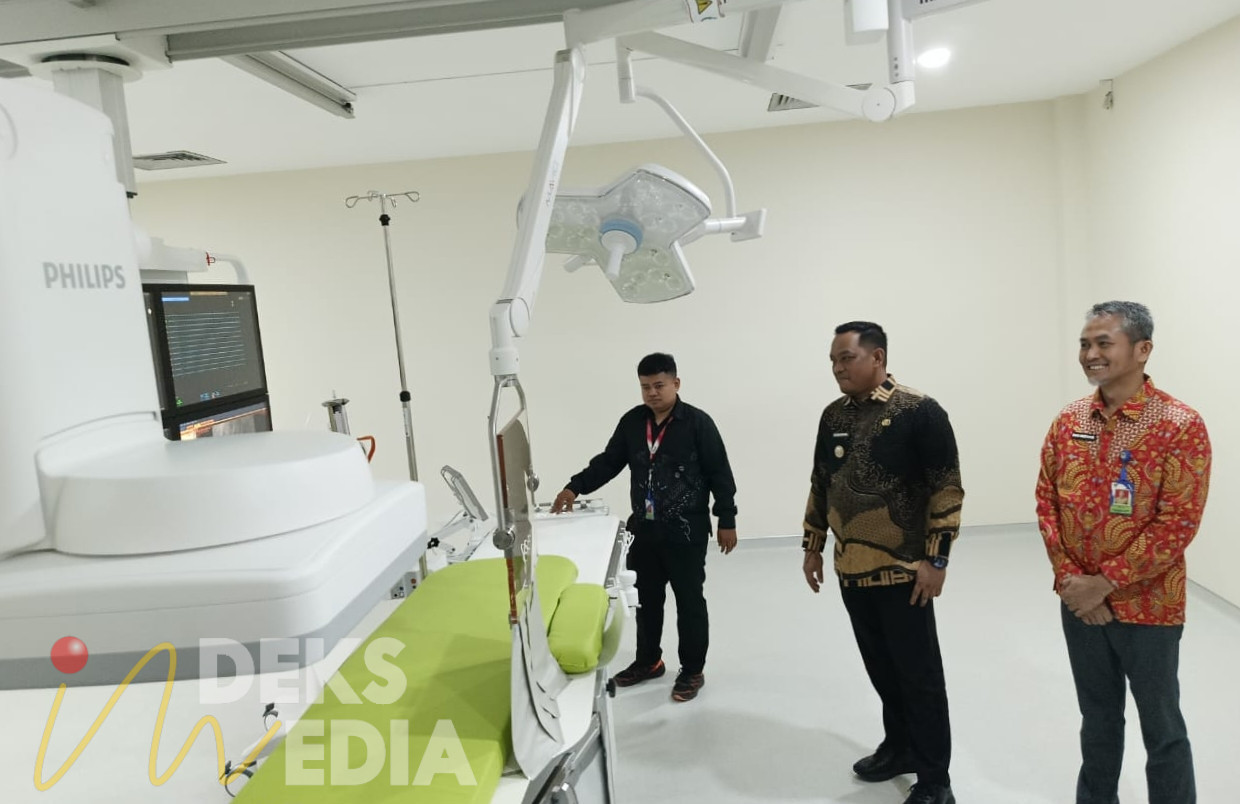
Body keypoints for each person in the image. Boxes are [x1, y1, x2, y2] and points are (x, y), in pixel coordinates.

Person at [1036, 301, 1211, 804]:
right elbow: (1047, 500)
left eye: (1103, 343)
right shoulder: (1069, 420)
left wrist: (1103, 583)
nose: (1090, 354)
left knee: (1163, 727)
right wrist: (1072, 582)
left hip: (1149, 606)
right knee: (1097, 719)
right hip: (1079, 603)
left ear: (1142, 349)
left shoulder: (1179, 424)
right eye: (1084, 344)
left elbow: (1178, 520)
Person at [801, 321, 963, 804]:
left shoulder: (918, 411)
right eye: (833, 360)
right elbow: (821, 482)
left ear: (877, 357)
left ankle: (935, 780)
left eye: (846, 358)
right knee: (882, 669)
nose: (837, 368)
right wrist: (812, 545)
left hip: (905, 572)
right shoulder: (833, 415)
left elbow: (946, 488)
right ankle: (900, 746)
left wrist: (937, 560)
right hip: (851, 569)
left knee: (919, 677)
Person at [551, 352, 737, 702]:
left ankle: (692, 670)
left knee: (689, 602)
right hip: (645, 531)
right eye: (645, 386)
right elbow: (609, 462)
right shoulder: (633, 422)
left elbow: (719, 473)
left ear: (676, 383)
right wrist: (574, 487)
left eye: (659, 385)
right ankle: (649, 661)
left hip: (686, 531)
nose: (652, 393)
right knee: (646, 601)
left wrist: (727, 518)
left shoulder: (697, 423)